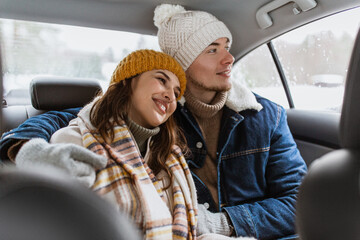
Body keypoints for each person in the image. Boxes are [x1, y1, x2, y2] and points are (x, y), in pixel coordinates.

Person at [0, 4, 307, 240]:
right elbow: (80, 118)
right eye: (213, 50)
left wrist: (219, 222)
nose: (229, 59)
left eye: (226, 46)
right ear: (183, 63)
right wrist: (26, 149)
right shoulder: (158, 115)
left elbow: (301, 202)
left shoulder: (267, 116)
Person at [13, 49, 198, 239]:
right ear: (127, 80)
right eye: (161, 80)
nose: (170, 96)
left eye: (177, 93)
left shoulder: (171, 159)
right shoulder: (75, 141)